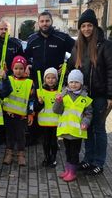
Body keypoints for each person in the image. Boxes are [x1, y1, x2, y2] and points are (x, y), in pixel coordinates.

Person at [67, 9, 112, 175]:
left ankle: (98, 162)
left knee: (98, 129)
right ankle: (88, 159)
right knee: (87, 129)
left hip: (99, 96)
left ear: (95, 26)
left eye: (89, 25)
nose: (86, 29)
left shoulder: (106, 45)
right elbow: (70, 66)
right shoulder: (78, 46)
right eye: (83, 25)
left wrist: (111, 96)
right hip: (83, 96)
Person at [24, 11, 75, 145]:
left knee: (56, 107)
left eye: (47, 21)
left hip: (56, 82)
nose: (44, 23)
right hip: (38, 81)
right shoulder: (32, 39)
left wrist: (67, 65)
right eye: (42, 21)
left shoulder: (62, 37)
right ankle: (34, 136)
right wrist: (28, 64)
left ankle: (55, 137)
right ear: (38, 23)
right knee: (36, 105)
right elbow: (26, 56)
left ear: (51, 22)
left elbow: (77, 52)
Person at [53, 69, 93, 182]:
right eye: (71, 82)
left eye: (76, 82)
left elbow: (88, 113)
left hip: (77, 132)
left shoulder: (86, 98)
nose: (73, 84)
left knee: (74, 153)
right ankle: (68, 170)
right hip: (66, 131)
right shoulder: (63, 94)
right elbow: (57, 111)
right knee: (67, 151)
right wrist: (58, 101)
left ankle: (72, 172)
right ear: (68, 82)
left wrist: (85, 122)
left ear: (81, 83)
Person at [2, 56, 35, 166]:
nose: (18, 71)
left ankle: (21, 154)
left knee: (21, 136)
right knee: (9, 135)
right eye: (16, 68)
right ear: (12, 68)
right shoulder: (8, 79)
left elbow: (31, 100)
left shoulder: (29, 83)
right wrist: (3, 75)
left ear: (25, 68)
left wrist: (30, 114)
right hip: (9, 114)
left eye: (21, 68)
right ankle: (9, 153)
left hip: (22, 116)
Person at [36, 67, 59, 167]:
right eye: (48, 78)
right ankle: (46, 157)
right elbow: (36, 108)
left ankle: (53, 158)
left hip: (55, 122)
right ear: (44, 79)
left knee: (54, 142)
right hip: (44, 122)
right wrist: (39, 102)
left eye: (53, 78)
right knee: (45, 142)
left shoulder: (60, 91)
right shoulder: (40, 91)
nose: (50, 80)